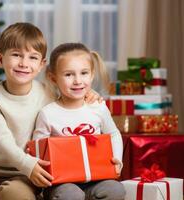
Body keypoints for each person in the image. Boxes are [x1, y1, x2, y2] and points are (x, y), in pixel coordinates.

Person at [0, 23, 101, 200]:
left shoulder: (48, 93)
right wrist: (28, 164)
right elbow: (2, 138)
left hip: (27, 174)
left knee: (15, 195)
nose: (24, 63)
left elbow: (70, 102)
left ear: (41, 65)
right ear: (0, 59)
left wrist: (88, 94)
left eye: (33, 58)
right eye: (16, 55)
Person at [32, 43, 125, 200]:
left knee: (116, 189)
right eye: (69, 75)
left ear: (92, 75)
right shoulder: (48, 113)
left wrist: (117, 160)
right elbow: (38, 148)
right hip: (62, 184)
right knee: (70, 195)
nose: (77, 81)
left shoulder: (98, 108)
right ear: (53, 78)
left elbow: (113, 133)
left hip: (96, 179)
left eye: (84, 73)